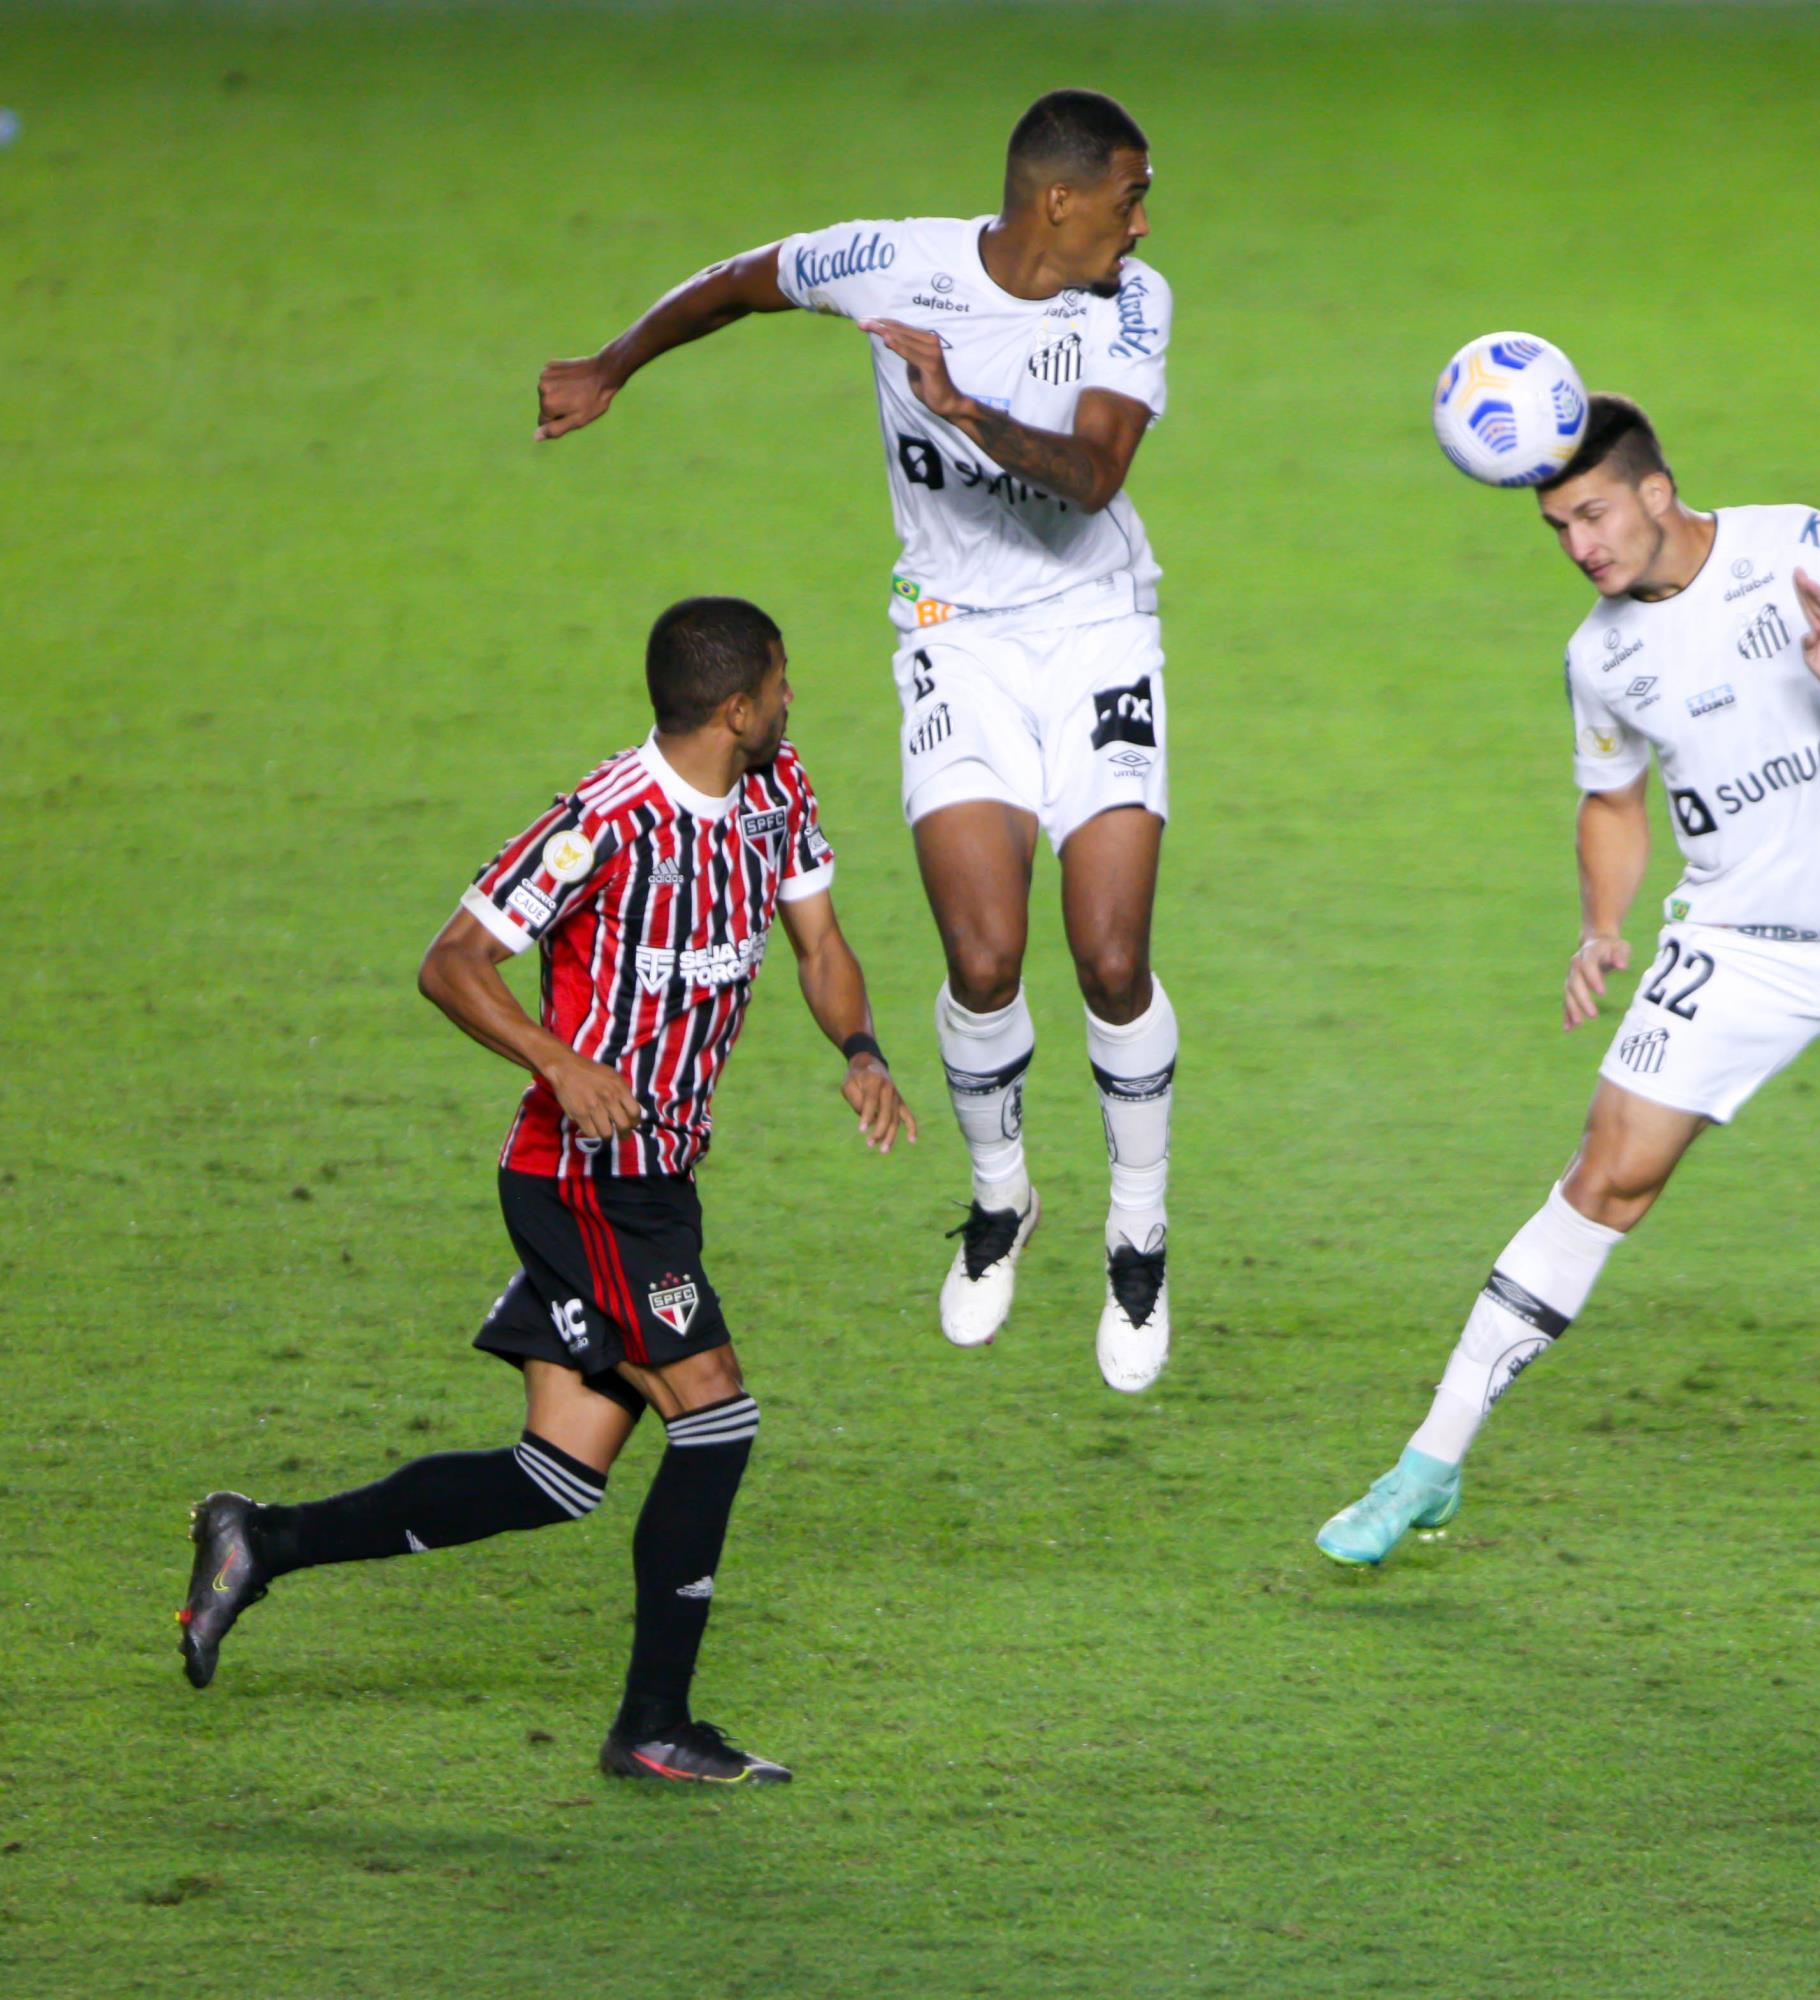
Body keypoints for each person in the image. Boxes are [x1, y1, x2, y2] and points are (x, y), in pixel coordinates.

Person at [1316, 397, 1820, 1591]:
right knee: (1605, 1179)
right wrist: (1603, 925)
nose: (1581, 547)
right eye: (1558, 527)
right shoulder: (1599, 653)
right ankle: (1425, 1464)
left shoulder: (1798, 547)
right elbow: (1614, 800)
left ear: (1657, 490)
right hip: (1731, 944)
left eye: (1592, 514)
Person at [177, 597, 917, 1784]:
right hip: (585, 1178)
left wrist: (862, 1050)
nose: (792, 701)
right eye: (781, 684)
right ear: (737, 707)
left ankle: (259, 1539)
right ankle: (654, 1725)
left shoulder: (777, 795)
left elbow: (820, 943)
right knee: (716, 1416)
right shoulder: (602, 822)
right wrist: (560, 1061)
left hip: (658, 1177)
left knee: (554, 1474)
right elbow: (451, 959)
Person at [532, 87, 1179, 1391]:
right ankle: (1003, 1203)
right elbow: (743, 279)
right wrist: (614, 362)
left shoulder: (1132, 302)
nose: (1143, 219)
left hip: (1097, 626)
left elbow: (1097, 473)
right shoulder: (895, 263)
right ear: (1058, 199)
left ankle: (1141, 1225)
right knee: (984, 955)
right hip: (955, 637)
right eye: (1128, 194)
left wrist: (956, 408)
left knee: (1111, 957)